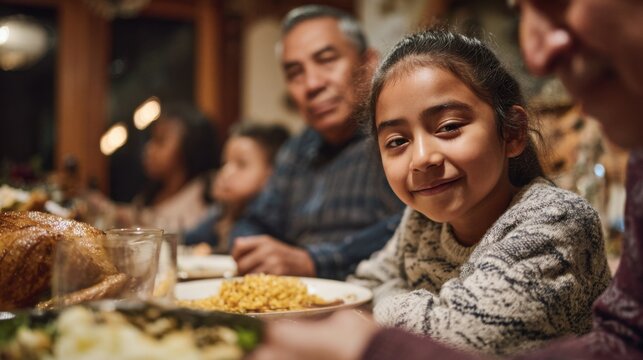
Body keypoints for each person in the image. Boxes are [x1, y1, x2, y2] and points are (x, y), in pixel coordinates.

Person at [248, 0, 643, 359]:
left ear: (512, 133)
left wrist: (387, 306)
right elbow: (362, 283)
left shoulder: (555, 222)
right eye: (398, 141)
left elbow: (456, 337)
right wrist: (408, 304)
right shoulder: (422, 219)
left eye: (450, 127)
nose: (422, 159)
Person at [229, 5, 404, 280]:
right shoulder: (297, 149)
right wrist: (248, 248)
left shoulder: (397, 137)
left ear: (369, 64)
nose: (311, 84)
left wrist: (313, 261)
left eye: (326, 60)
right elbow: (256, 220)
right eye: (295, 73)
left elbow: (413, 228)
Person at [86, 102, 220, 232]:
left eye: (160, 141)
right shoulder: (149, 193)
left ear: (190, 147)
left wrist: (116, 213)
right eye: (151, 139)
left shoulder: (206, 193)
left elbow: (179, 232)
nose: (148, 149)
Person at [183, 123, 290, 254]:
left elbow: (241, 247)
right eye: (224, 163)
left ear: (271, 173)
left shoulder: (268, 217)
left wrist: (210, 250)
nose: (226, 172)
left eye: (241, 164)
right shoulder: (220, 213)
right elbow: (188, 239)